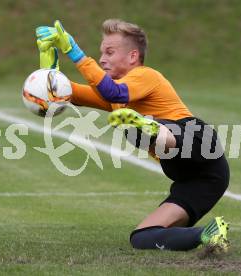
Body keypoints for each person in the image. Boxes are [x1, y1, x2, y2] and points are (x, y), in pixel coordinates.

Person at [35, 19, 230, 251]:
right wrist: (48, 62)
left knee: (146, 132)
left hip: (197, 142)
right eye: (101, 53)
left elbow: (113, 91)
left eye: (109, 52)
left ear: (132, 57)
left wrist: (73, 50)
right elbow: (63, 94)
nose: (102, 59)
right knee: (142, 237)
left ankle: (152, 127)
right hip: (195, 179)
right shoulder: (116, 100)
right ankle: (207, 234)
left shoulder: (145, 76)